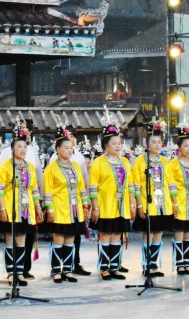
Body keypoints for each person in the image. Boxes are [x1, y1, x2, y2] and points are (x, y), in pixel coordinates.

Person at [0, 118, 44, 287]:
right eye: (19, 147)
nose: (22, 150)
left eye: (24, 147)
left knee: (22, 241)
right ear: (12, 149)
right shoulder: (6, 167)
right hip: (11, 207)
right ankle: (11, 273)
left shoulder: (30, 166)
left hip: (27, 209)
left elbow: (34, 189)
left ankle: (20, 271)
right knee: (10, 240)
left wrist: (38, 207)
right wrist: (1, 207)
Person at [89, 109, 135, 281]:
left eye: (119, 143)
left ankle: (115, 266)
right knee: (105, 236)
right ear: (106, 145)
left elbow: (130, 184)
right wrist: (95, 207)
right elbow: (93, 187)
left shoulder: (124, 162)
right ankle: (104, 267)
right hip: (105, 205)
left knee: (117, 236)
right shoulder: (98, 163)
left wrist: (131, 204)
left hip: (121, 206)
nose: (118, 146)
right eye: (114, 143)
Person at [43, 127, 90, 283]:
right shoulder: (51, 168)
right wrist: (48, 209)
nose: (70, 150)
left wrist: (85, 204)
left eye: (71, 148)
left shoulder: (76, 166)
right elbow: (48, 190)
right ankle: (56, 270)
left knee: (70, 239)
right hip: (59, 208)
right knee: (58, 239)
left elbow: (81, 187)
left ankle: (68, 270)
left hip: (74, 209)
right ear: (58, 149)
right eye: (66, 148)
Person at [131, 119, 173, 277]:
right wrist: (139, 205)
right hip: (147, 203)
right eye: (153, 142)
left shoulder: (164, 161)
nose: (157, 144)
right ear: (147, 144)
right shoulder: (140, 161)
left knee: (158, 234)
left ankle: (154, 265)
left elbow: (169, 183)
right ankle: (146, 265)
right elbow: (137, 185)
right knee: (148, 234)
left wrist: (174, 203)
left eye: (159, 142)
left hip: (162, 203)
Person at [166, 119, 189, 274]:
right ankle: (179, 263)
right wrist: (174, 203)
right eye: (185, 146)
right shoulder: (173, 164)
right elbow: (171, 184)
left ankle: (187, 262)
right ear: (179, 147)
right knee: (179, 232)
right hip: (179, 202)